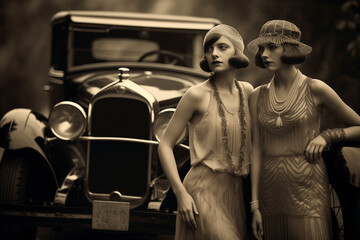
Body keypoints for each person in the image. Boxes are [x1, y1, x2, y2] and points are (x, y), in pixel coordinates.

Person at [247, 19, 360, 240]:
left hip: (308, 191)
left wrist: (328, 136)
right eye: (261, 48)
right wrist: (255, 206)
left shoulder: (315, 88)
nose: (264, 54)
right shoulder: (256, 96)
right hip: (269, 193)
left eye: (272, 47)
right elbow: (256, 150)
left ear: (288, 49)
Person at [158, 24, 253, 239]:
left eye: (222, 47)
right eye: (209, 49)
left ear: (237, 52)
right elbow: (165, 144)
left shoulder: (247, 92)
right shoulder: (196, 94)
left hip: (234, 192)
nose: (214, 54)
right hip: (201, 190)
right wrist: (180, 194)